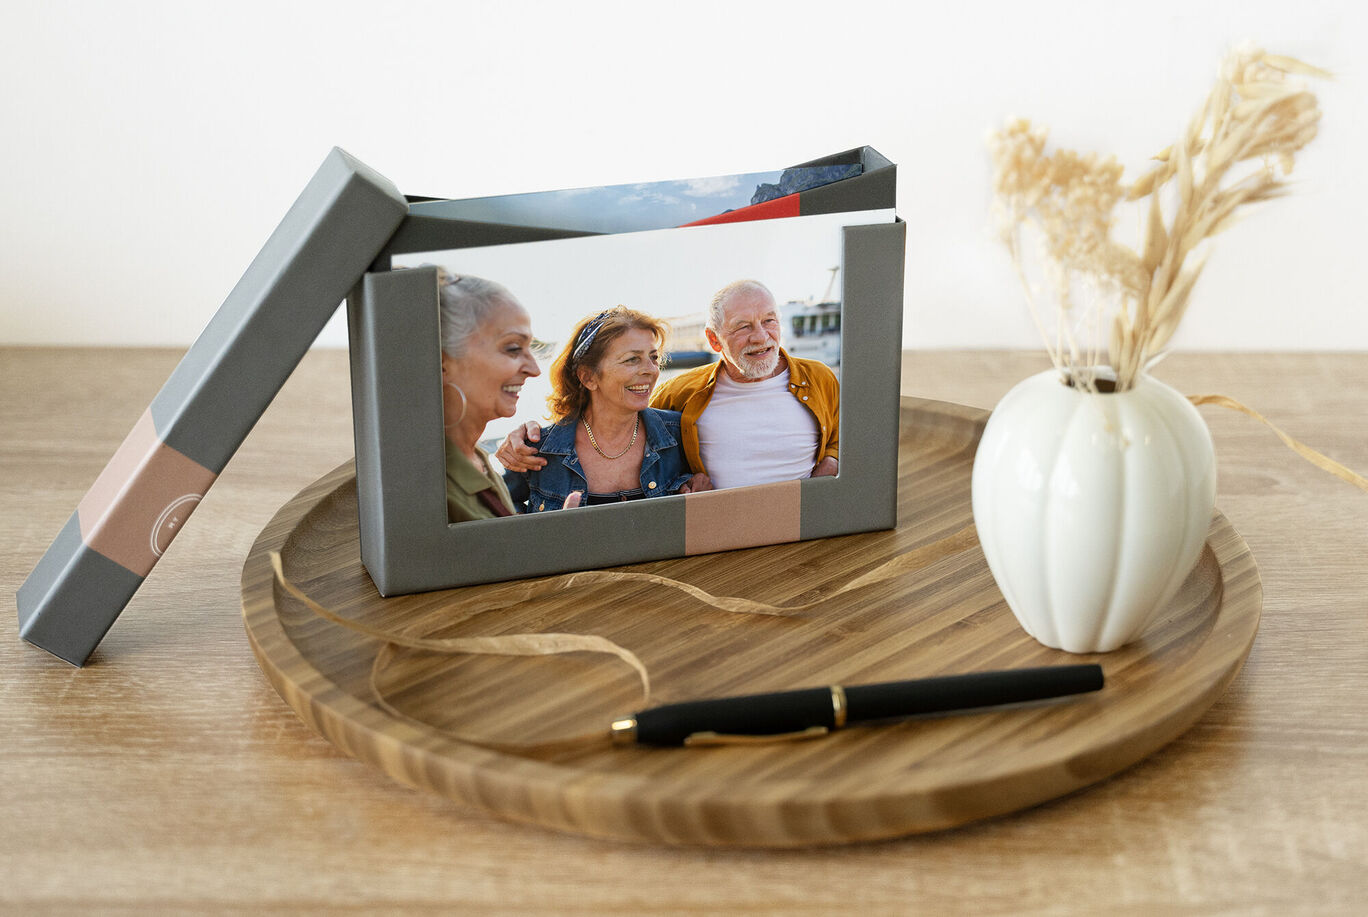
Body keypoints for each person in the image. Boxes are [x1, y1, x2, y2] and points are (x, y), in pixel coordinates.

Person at [496, 306, 710, 512]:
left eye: (653, 357)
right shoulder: (536, 449)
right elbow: (497, 511)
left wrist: (701, 493)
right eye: (632, 359)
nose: (651, 370)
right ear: (588, 377)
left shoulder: (681, 433)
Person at [651, 279, 838, 489]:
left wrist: (833, 460)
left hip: (804, 519)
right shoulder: (677, 392)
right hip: (716, 520)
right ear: (714, 340)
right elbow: (641, 454)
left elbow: (847, 438)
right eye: (743, 327)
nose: (760, 336)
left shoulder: (819, 378)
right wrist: (680, 484)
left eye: (769, 321)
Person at [438, 273, 541, 522]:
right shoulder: (436, 493)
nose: (535, 369)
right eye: (513, 348)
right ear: (442, 362)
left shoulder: (476, 458)